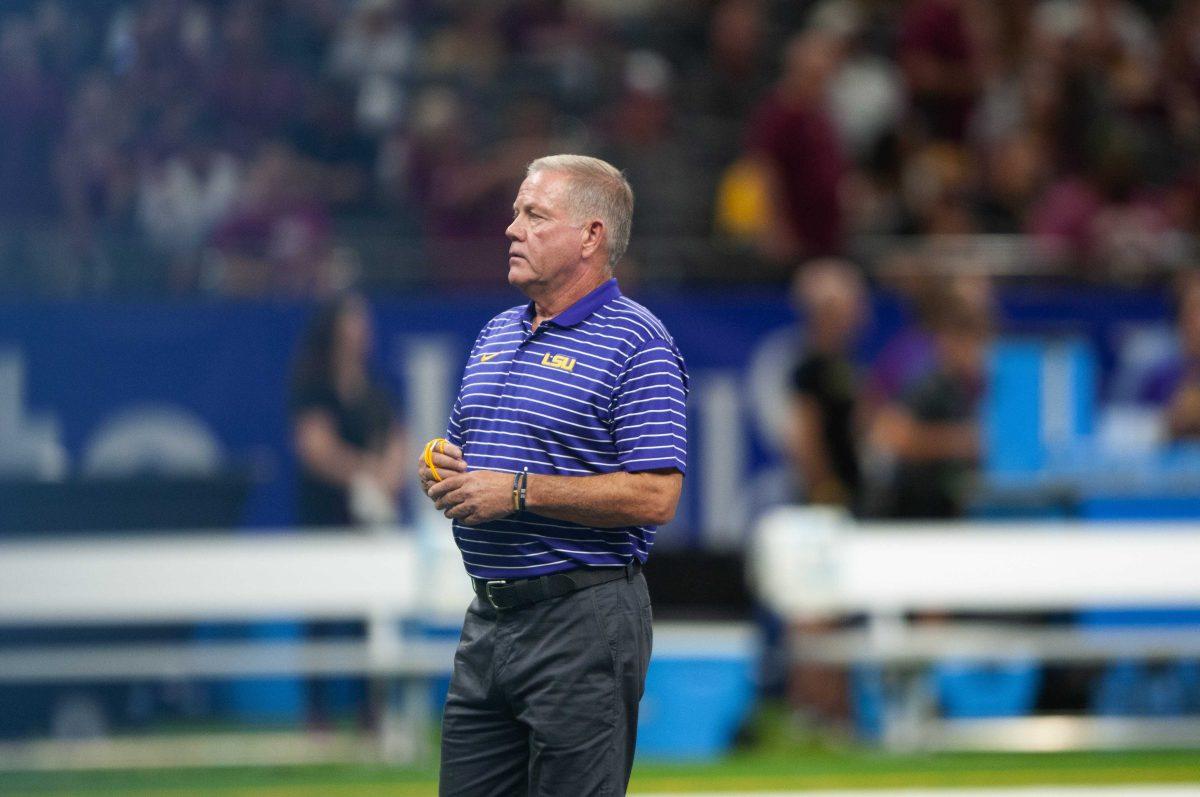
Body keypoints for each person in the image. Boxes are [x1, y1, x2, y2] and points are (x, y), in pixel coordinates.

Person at [418, 154, 688, 796]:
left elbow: (658, 494)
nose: (512, 229)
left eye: (534, 215)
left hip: (581, 618)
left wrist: (516, 491)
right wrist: (444, 470)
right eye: (516, 212)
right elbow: (470, 458)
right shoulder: (494, 334)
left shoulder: (637, 341)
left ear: (591, 236)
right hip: (488, 617)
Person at [289, 293, 406, 728]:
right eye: (353, 320)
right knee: (320, 617)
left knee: (368, 616)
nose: (362, 330)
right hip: (323, 519)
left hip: (367, 525)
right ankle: (316, 714)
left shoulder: (376, 390)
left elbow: (397, 441)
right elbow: (314, 449)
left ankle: (369, 712)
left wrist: (387, 473)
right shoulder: (313, 388)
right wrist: (365, 472)